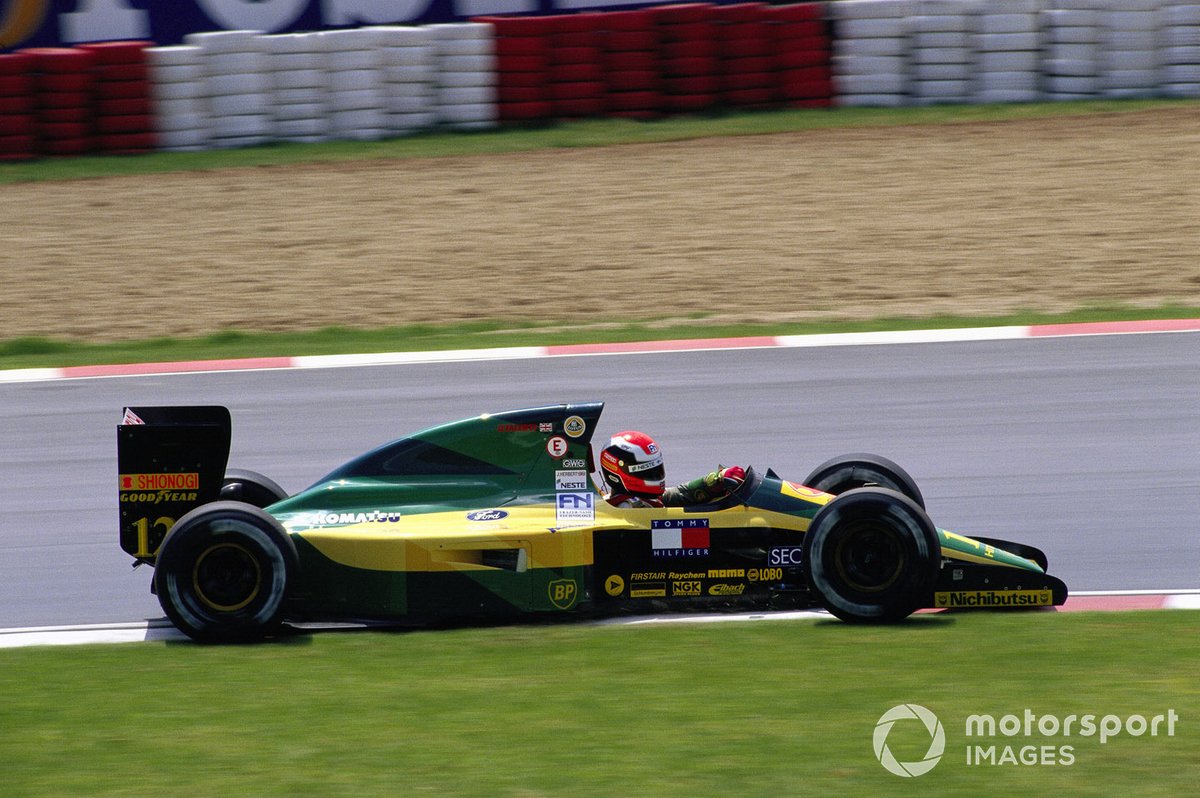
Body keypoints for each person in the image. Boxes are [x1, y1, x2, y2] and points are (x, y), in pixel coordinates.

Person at [598, 430, 746, 509]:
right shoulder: (630, 511)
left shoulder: (644, 500)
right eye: (648, 472)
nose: (656, 476)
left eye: (657, 469)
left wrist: (716, 479)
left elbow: (679, 494)